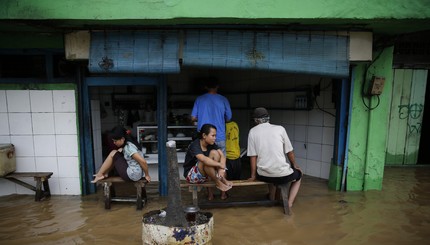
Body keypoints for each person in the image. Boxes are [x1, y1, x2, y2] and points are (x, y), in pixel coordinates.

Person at [247, 107, 302, 210]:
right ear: (268, 118)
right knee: (299, 176)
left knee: (267, 169)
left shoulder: (252, 132)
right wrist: (294, 164)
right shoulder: (280, 129)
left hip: (263, 175)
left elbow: (253, 156)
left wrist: (253, 175)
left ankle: (272, 197)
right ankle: (289, 204)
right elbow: (289, 151)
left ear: (255, 120)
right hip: (283, 175)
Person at [183, 123, 232, 200]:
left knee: (214, 153)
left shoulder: (211, 144)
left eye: (215, 136)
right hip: (191, 175)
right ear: (204, 135)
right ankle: (218, 182)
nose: (215, 138)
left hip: (206, 173)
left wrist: (221, 169)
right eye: (213, 136)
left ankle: (222, 179)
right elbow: (203, 159)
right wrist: (220, 165)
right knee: (206, 161)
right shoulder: (195, 145)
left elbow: (222, 155)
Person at [191, 77, 232, 155]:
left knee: (204, 162)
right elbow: (228, 118)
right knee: (221, 162)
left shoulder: (199, 99)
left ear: (205, 87)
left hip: (204, 137)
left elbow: (193, 118)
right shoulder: (223, 99)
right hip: (219, 136)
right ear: (217, 86)